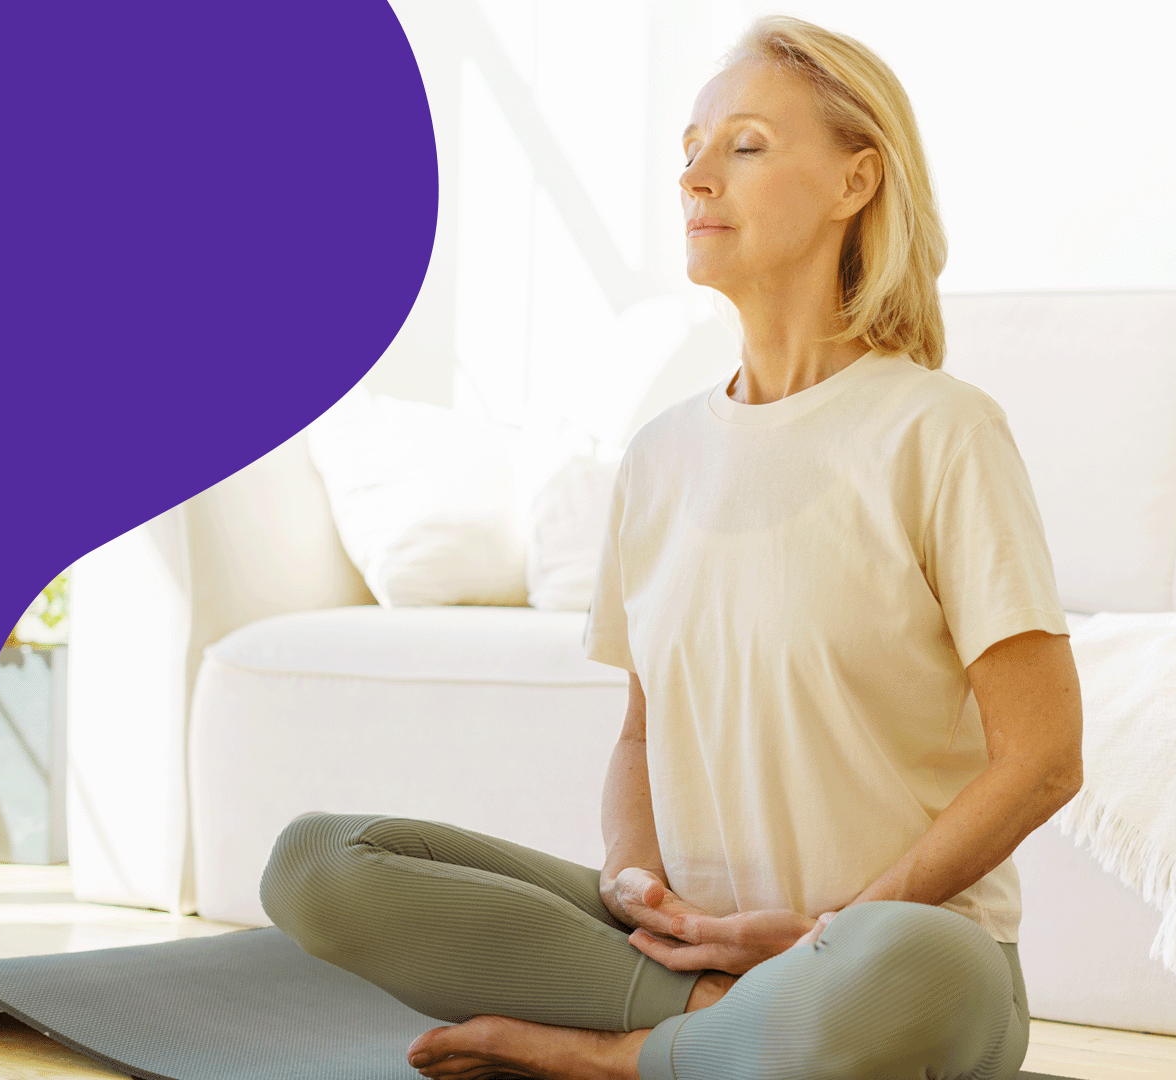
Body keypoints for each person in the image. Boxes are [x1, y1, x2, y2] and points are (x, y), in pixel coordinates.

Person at [259, 14, 1084, 1080]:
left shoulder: (940, 430)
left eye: (743, 145)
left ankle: (619, 1055)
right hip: (686, 949)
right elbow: (642, 738)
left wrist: (820, 935)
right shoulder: (658, 457)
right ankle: (713, 1030)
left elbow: (1043, 758)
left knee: (912, 965)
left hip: (890, 958)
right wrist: (633, 878)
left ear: (855, 182)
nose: (696, 176)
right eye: (688, 150)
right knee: (320, 864)